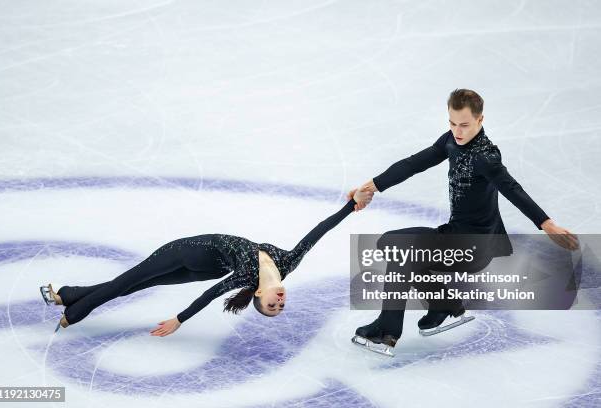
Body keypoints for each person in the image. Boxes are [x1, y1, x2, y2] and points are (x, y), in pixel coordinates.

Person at [348, 88, 579, 353]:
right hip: (454, 234)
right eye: (452, 123)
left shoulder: (486, 156)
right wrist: (369, 187)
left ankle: (387, 330)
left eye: (465, 125)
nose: (458, 131)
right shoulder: (451, 141)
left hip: (474, 246)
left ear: (480, 120)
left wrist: (546, 224)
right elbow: (413, 163)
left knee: (402, 250)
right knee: (390, 242)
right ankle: (443, 304)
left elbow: (512, 188)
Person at [40, 189, 373, 336]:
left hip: (188, 254)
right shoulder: (288, 263)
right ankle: (68, 299)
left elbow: (209, 296)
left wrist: (179, 320)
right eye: (281, 307)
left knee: (131, 282)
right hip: (195, 257)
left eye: (272, 307)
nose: (280, 303)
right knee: (130, 284)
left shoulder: (246, 276)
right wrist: (350, 206)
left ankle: (71, 307)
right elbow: (319, 232)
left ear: (259, 297)